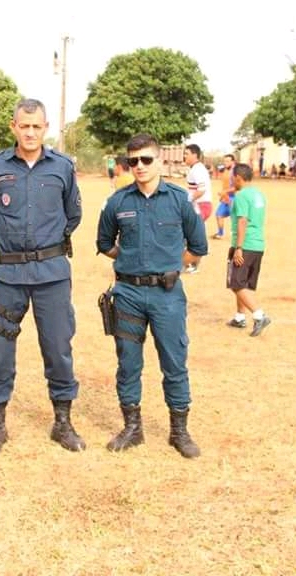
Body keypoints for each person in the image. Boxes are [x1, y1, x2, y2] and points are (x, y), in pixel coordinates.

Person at [0, 98, 84, 455]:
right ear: (14, 127)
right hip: (7, 274)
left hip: (52, 274)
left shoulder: (63, 167)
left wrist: (45, 245)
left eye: (37, 126)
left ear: (46, 128)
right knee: (0, 350)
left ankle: (62, 422)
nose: (31, 132)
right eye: (25, 126)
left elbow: (73, 215)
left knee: (58, 347)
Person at [96, 133, 208, 458]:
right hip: (128, 294)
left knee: (174, 363)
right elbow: (105, 244)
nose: (140, 166)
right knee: (128, 363)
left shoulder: (179, 200)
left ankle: (179, 431)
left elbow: (198, 247)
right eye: (133, 161)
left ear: (160, 160)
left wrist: (170, 265)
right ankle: (132, 428)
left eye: (146, 159)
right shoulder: (117, 202)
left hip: (167, 295)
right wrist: (131, 261)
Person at [225, 164, 272, 337]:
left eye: (232, 177)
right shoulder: (259, 195)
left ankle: (259, 316)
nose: (231, 179)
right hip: (258, 245)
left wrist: (239, 248)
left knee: (236, 283)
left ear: (238, 177)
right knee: (244, 283)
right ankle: (240, 317)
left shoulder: (242, 196)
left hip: (245, 245)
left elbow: (243, 221)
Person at [183, 144, 212, 273]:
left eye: (187, 154)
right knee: (191, 234)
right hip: (200, 205)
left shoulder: (197, 170)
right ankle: (191, 263)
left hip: (201, 205)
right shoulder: (195, 169)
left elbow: (201, 190)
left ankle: (192, 264)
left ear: (195, 155)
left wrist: (187, 200)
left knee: (191, 234)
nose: (184, 156)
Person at [213, 154, 236, 239]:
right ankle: (220, 233)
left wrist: (225, 192)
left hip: (234, 198)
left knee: (235, 218)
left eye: (228, 161)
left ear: (233, 162)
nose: (225, 163)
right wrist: (223, 195)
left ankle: (236, 235)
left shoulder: (236, 172)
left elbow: (237, 187)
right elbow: (225, 185)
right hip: (225, 198)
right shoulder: (225, 171)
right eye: (225, 161)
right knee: (219, 214)